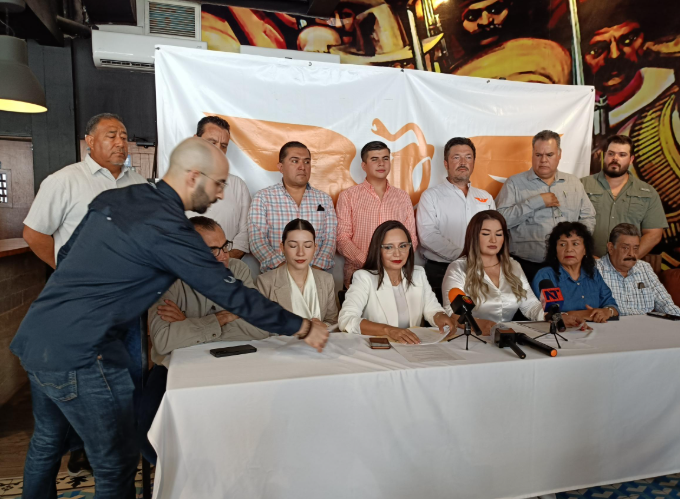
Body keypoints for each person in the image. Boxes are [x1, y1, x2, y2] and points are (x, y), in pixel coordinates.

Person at [10, 137, 329, 498]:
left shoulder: (120, 198)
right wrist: (301, 325)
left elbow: (67, 255)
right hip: (83, 352)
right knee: (115, 464)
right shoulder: (170, 228)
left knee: (47, 443)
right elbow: (233, 295)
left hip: (39, 336)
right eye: (218, 183)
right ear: (193, 177)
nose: (221, 194)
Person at [21, 112, 148, 477]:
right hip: (84, 310)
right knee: (85, 383)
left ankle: (125, 449)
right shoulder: (65, 181)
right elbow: (34, 234)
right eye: (111, 135)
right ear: (89, 141)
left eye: (124, 135)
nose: (120, 142)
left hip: (127, 306)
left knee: (129, 377)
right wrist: (69, 273)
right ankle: (86, 452)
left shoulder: (138, 182)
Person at [139, 215, 268, 463]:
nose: (223, 256)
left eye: (225, 246)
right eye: (213, 250)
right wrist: (222, 318)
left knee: (256, 424)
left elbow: (261, 328)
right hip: (175, 369)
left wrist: (188, 323)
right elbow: (164, 341)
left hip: (233, 361)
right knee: (149, 436)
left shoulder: (238, 270)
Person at [496, 130, 596, 283]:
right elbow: (500, 221)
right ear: (532, 154)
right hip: (525, 267)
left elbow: (588, 217)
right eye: (538, 155)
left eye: (549, 155)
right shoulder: (514, 183)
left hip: (567, 267)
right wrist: (536, 202)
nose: (543, 160)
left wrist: (576, 245)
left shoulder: (574, 183)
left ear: (559, 154)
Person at [338, 220, 457, 344]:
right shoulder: (364, 278)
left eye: (403, 246)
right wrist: (388, 330)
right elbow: (346, 319)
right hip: (378, 349)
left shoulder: (418, 274)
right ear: (377, 250)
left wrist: (440, 317)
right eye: (389, 247)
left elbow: (432, 310)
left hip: (412, 347)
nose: (397, 253)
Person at [441, 211, 548, 335]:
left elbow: (530, 305)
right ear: (474, 236)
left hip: (507, 336)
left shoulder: (514, 266)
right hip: (471, 338)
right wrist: (478, 324)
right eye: (486, 234)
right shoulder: (458, 268)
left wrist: (550, 315)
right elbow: (451, 312)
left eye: (498, 234)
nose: (493, 240)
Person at [417, 137, 495, 304]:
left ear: (473, 163)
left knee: (480, 317)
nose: (463, 162)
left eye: (468, 157)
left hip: (481, 271)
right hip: (441, 270)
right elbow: (428, 235)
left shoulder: (485, 197)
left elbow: (495, 233)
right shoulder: (430, 196)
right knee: (443, 318)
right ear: (446, 163)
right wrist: (464, 255)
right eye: (456, 157)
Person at [336, 141, 418, 289]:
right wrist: (370, 262)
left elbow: (411, 237)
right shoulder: (348, 196)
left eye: (385, 158)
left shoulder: (402, 197)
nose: (381, 163)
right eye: (374, 159)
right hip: (360, 275)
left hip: (396, 277)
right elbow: (342, 239)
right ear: (364, 165)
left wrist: (394, 261)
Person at [249, 141, 337, 272]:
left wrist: (314, 272)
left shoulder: (324, 200)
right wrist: (285, 271)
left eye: (307, 162)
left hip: (316, 275)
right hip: (276, 276)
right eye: (295, 161)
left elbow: (330, 239)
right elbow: (257, 240)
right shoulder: (263, 198)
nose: (302, 167)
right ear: (281, 167)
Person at [581, 135, 667, 258]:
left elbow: (653, 234)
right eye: (611, 153)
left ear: (631, 159)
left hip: (628, 266)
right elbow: (568, 227)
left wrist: (627, 259)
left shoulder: (648, 192)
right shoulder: (582, 186)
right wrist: (589, 259)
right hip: (587, 263)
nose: (615, 158)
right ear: (604, 155)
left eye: (622, 155)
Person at [187, 116, 251, 258]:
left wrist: (223, 260)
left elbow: (245, 235)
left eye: (224, 145)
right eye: (212, 142)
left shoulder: (238, 186)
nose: (218, 150)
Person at [532, 222, 619, 323]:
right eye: (562, 244)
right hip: (560, 331)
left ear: (585, 249)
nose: (569, 249)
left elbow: (612, 306)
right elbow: (550, 314)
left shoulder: (593, 273)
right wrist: (584, 314)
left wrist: (607, 311)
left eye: (575, 244)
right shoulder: (546, 276)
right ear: (555, 250)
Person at [257, 219, 338, 326]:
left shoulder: (326, 280)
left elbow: (333, 322)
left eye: (307, 246)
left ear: (315, 248)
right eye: (293, 246)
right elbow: (260, 327)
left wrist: (323, 326)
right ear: (282, 248)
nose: (300, 253)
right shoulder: (266, 282)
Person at [597, 224, 680, 317]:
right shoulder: (595, 270)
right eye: (625, 248)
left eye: (636, 248)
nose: (631, 253)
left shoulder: (644, 268)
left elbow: (666, 304)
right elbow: (592, 309)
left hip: (646, 324)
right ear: (611, 248)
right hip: (613, 324)